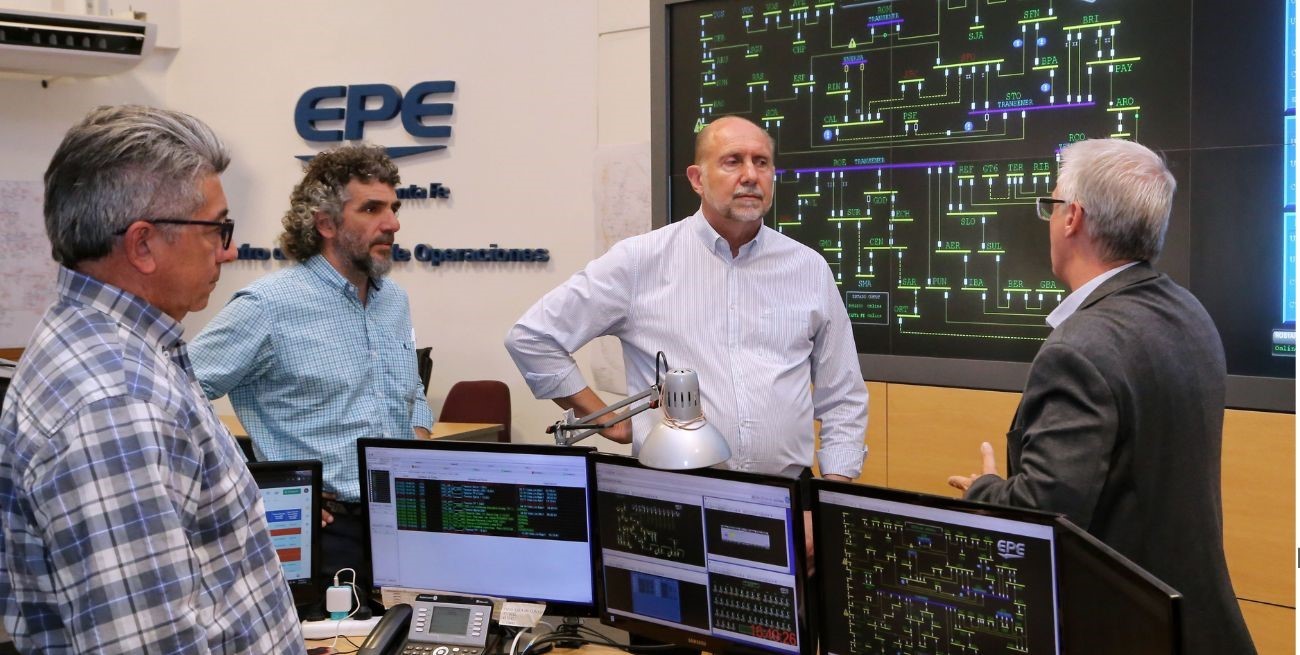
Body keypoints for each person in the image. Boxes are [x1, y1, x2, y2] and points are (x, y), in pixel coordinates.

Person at [0, 105, 303, 652]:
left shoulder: (120, 349)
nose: (229, 250)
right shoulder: (115, 403)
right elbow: (146, 642)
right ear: (142, 244)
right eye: (218, 228)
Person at [946, 138, 1255, 654]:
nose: (1048, 219)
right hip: (1196, 626)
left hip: (1127, 631)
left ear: (1073, 217)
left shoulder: (1079, 349)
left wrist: (985, 490)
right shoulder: (1189, 313)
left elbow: (1046, 515)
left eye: (1051, 205)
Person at [505, 115, 868, 486]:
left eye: (761, 162)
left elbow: (843, 396)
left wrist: (829, 498)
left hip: (789, 493)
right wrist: (606, 420)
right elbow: (532, 338)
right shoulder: (639, 262)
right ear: (697, 179)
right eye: (732, 161)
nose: (750, 175)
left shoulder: (808, 268)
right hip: (677, 493)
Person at [189, 144, 432, 610]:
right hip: (323, 534)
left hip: (401, 523)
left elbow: (411, 389)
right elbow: (176, 397)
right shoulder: (267, 306)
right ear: (325, 224)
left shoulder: (393, 300)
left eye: (394, 208)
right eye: (372, 209)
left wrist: (413, 453)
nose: (393, 224)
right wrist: (255, 483)